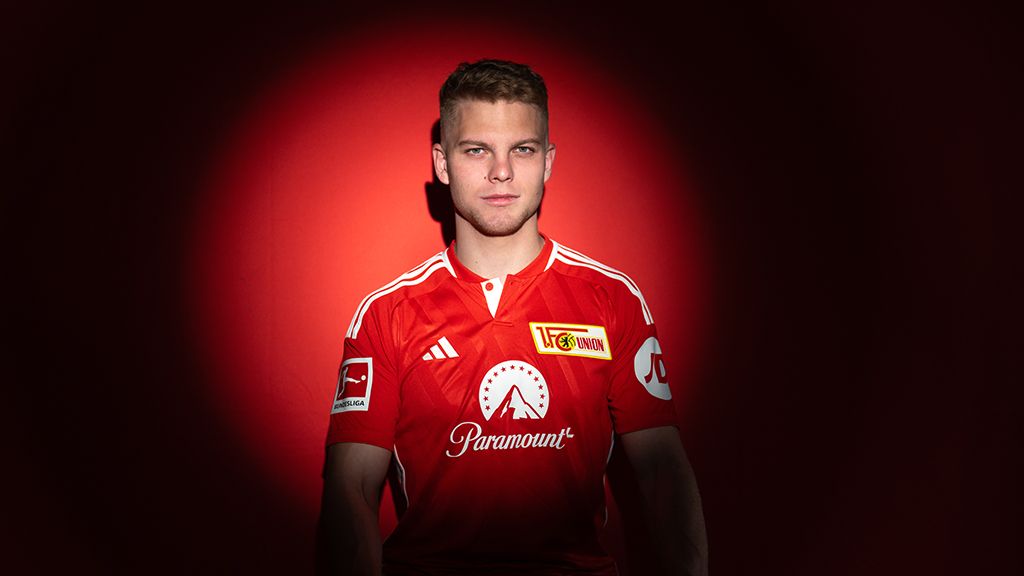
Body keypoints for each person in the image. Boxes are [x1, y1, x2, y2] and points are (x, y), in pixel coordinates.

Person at [318, 59, 708, 575]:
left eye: (521, 150)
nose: (500, 171)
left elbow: (663, 471)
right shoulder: (387, 314)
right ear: (442, 163)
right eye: (476, 149)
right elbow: (351, 487)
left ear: (547, 162)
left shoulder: (611, 300)